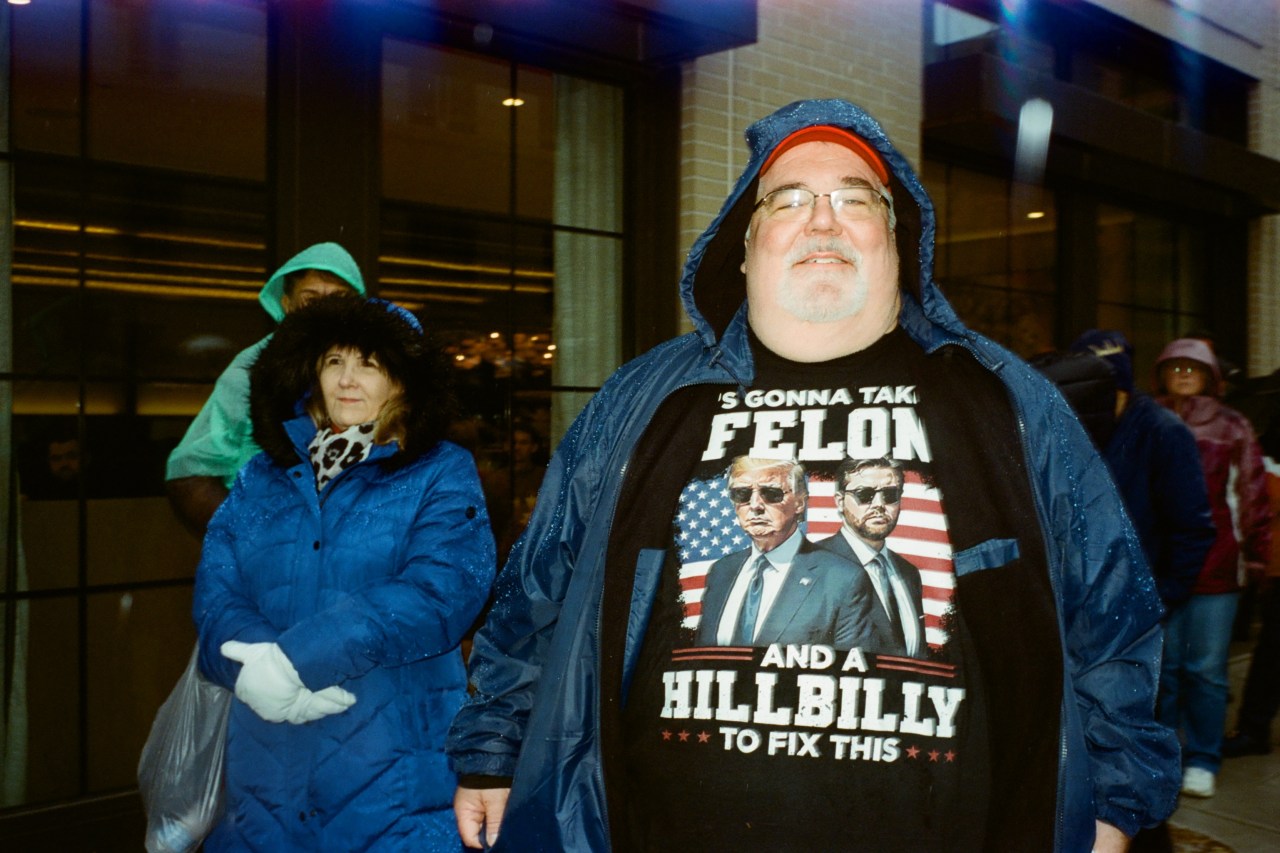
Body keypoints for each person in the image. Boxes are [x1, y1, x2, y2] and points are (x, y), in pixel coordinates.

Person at [448, 100, 1178, 852]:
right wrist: (491, 750)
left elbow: (1111, 610)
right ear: (742, 243)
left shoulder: (1010, 402)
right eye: (789, 200)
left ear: (899, 240)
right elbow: (536, 593)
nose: (823, 222)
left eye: (856, 200)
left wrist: (1117, 802)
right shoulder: (643, 401)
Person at [193, 296, 496, 850]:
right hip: (267, 764)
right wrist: (253, 667)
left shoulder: (440, 472)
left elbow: (442, 592)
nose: (348, 380)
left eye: (370, 365)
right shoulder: (264, 475)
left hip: (391, 767)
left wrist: (293, 662)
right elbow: (217, 591)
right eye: (335, 362)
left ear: (403, 382)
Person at [166, 242, 367, 535]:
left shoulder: (373, 368)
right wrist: (249, 542)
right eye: (311, 299)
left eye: (338, 298)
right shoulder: (252, 368)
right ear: (286, 305)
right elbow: (190, 474)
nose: (324, 311)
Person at [1153, 337, 1271, 797]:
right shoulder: (1147, 418)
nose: (1183, 374)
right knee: (1163, 669)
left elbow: (1252, 496)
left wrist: (1256, 556)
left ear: (1210, 376)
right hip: (1159, 566)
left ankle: (1203, 757)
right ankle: (1165, 754)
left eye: (1193, 367)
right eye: (1174, 366)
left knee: (1206, 669)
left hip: (1217, 566)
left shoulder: (1233, 426)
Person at [1066, 330, 1216, 607]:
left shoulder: (1163, 431)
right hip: (1081, 598)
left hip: (1137, 599)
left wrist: (1161, 598)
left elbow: (1191, 526)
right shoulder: (1074, 426)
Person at [693, 456, 873, 648]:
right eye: (742, 494)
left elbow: (853, 668)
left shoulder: (843, 578)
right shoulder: (722, 571)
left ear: (799, 503)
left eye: (771, 493)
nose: (755, 505)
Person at [815, 456, 927, 657]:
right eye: (865, 494)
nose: (879, 504)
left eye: (890, 494)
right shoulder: (810, 565)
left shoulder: (908, 573)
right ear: (840, 502)